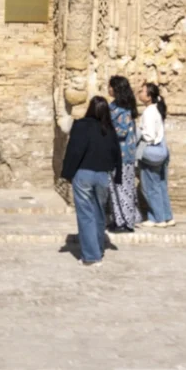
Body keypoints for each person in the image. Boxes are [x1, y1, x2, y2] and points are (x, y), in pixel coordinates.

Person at [61, 96, 122, 267]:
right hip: (102, 175)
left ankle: (91, 255)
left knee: (86, 214)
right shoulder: (109, 129)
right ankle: (99, 248)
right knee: (99, 212)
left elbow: (74, 150)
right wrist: (117, 176)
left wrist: (68, 173)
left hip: (84, 174)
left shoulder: (81, 125)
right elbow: (116, 152)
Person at [137, 81, 175, 228]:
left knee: (149, 186)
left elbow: (149, 136)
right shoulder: (156, 110)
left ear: (149, 96)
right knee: (159, 185)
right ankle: (166, 216)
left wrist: (137, 134)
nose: (139, 93)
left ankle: (158, 218)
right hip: (161, 150)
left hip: (151, 150)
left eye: (142, 91)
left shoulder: (149, 112)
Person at [107, 76, 140, 233]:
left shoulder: (124, 110)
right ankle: (117, 219)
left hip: (123, 156)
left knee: (124, 188)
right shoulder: (112, 106)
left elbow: (122, 131)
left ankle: (127, 222)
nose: (109, 89)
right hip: (112, 154)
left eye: (111, 86)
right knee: (113, 188)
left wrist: (106, 129)